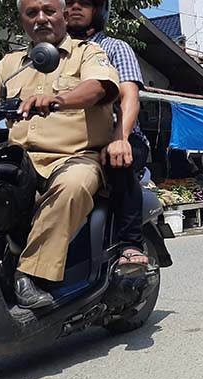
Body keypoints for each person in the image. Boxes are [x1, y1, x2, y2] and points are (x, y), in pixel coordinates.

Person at [0, 0, 120, 308]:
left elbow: (97, 88)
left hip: (74, 158)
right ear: (22, 20)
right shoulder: (11, 64)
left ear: (63, 15)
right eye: (31, 13)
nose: (41, 19)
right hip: (19, 162)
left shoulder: (87, 53)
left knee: (73, 186)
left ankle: (30, 275)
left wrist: (59, 99)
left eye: (49, 11)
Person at [66, 0, 150, 273]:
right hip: (69, 140)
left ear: (99, 10)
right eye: (68, 2)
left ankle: (130, 243)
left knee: (117, 161)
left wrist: (120, 137)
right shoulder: (52, 53)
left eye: (84, 3)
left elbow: (129, 97)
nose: (74, 7)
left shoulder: (114, 47)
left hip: (116, 136)